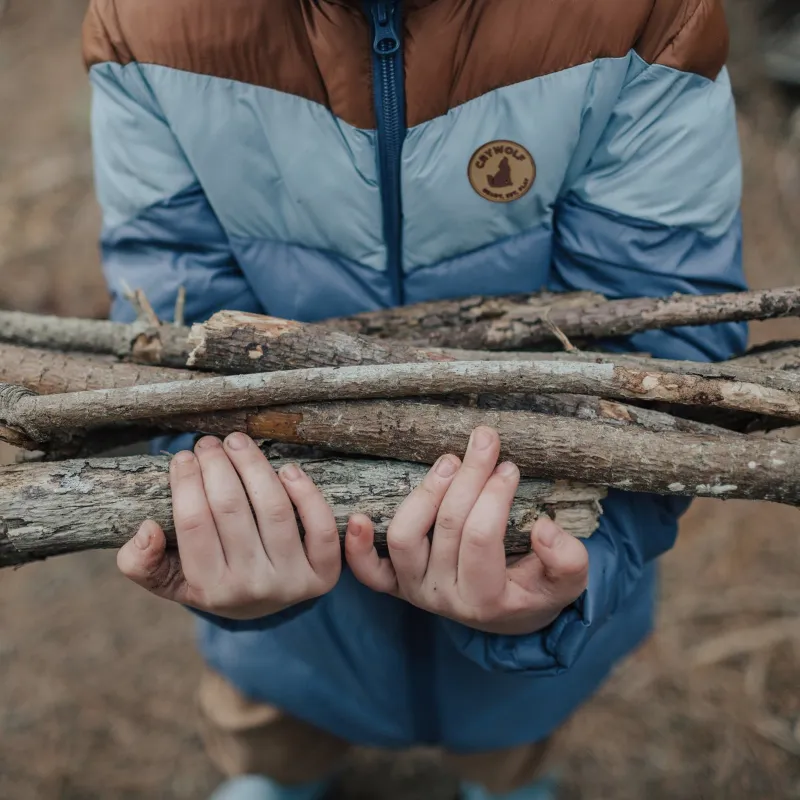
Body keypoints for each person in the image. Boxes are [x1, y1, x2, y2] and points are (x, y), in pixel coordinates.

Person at [81, 1, 748, 798]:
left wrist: (584, 559)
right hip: (292, 602)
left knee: (519, 721)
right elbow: (174, 322)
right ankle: (272, 775)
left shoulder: (646, 15)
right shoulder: (149, 23)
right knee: (269, 715)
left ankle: (511, 776)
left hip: (529, 544)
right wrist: (219, 514)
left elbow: (660, 335)